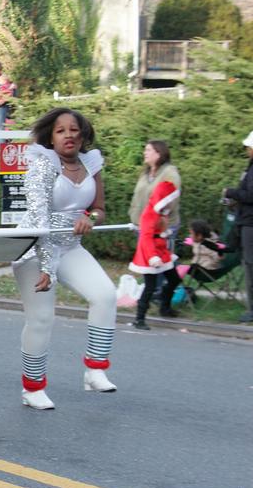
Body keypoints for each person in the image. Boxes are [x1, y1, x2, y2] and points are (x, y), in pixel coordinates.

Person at [11, 108, 117, 410]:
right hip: (33, 249)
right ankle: (32, 389)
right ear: (51, 137)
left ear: (82, 134)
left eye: (74, 129)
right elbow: (39, 219)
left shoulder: (91, 164)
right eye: (61, 130)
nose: (69, 135)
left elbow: (99, 208)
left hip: (70, 247)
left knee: (106, 295)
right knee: (42, 318)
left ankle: (95, 370)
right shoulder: (42, 165)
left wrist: (90, 217)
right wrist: (47, 268)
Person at [128, 140, 182, 307]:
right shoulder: (146, 174)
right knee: (149, 266)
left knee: (161, 264)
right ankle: (153, 297)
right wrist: (134, 216)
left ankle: (162, 297)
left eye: (149, 150)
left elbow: (171, 196)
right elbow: (137, 197)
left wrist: (158, 219)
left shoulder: (169, 173)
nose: (145, 153)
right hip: (142, 226)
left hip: (161, 227)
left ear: (159, 153)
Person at [129, 180, 182, 328]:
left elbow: (158, 231)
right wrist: (153, 257)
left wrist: (165, 233)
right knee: (150, 286)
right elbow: (146, 237)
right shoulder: (149, 214)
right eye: (170, 199)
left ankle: (164, 308)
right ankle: (139, 319)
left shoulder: (161, 212)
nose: (172, 203)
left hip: (161, 251)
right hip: (149, 254)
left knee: (174, 279)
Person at [223, 130, 253, 322]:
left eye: (249, 147)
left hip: (250, 223)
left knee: (250, 266)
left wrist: (231, 192)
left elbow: (250, 195)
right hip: (247, 220)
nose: (247, 150)